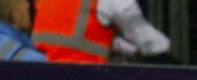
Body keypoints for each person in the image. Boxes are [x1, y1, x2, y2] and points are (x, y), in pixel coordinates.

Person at [31, 0, 178, 64]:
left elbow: (85, 38)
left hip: (42, 75)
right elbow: (151, 43)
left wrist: (134, 52)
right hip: (83, 79)